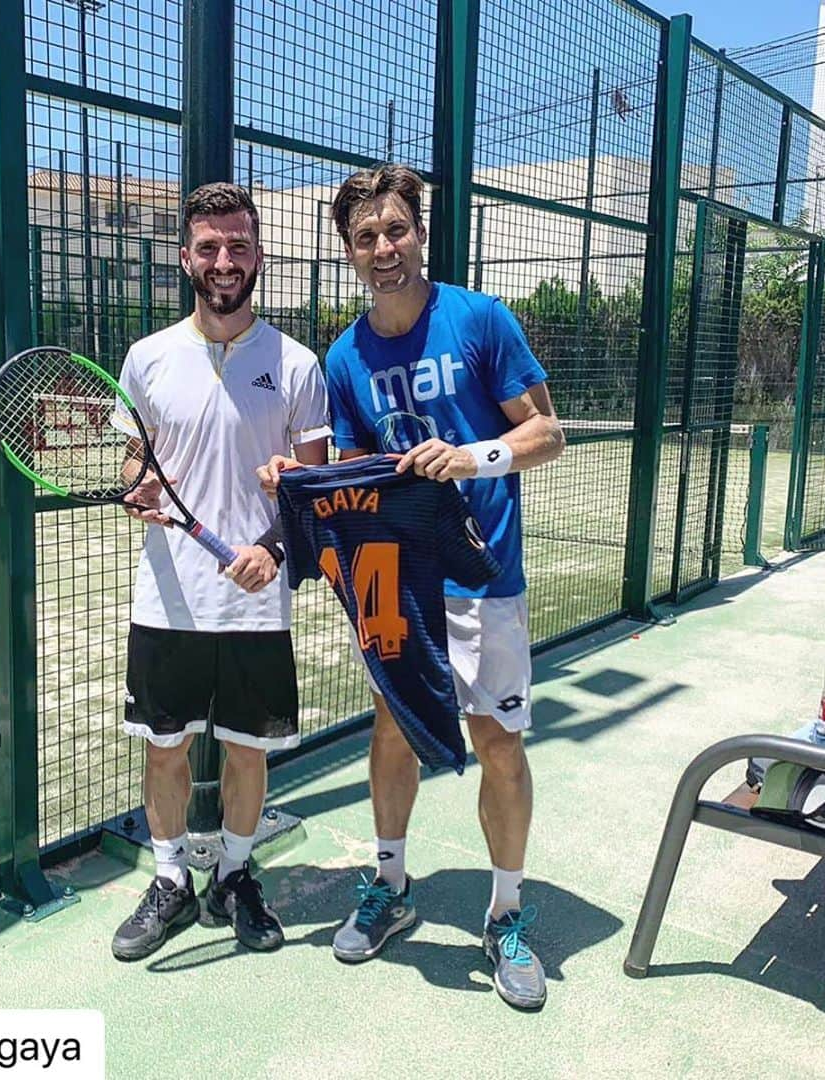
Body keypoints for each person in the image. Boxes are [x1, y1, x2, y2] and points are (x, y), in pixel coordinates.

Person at [259, 164, 564, 1009]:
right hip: (396, 578)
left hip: (483, 574)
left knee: (499, 743)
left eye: (396, 230)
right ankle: (391, 888)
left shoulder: (480, 320)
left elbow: (548, 432)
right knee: (392, 733)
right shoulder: (345, 355)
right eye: (366, 237)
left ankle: (506, 914)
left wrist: (473, 456)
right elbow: (358, 468)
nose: (384, 248)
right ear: (348, 251)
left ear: (419, 232)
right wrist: (299, 478)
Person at [110, 182, 330, 962]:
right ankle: (170, 878)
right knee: (164, 749)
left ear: (259, 255)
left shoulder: (297, 364)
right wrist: (138, 481)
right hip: (167, 598)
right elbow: (139, 458)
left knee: (246, 750)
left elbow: (313, 492)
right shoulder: (147, 359)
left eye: (238, 245)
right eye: (209, 247)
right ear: (185, 259)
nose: (224, 260)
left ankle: (234, 875)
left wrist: (271, 549)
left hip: (256, 603)